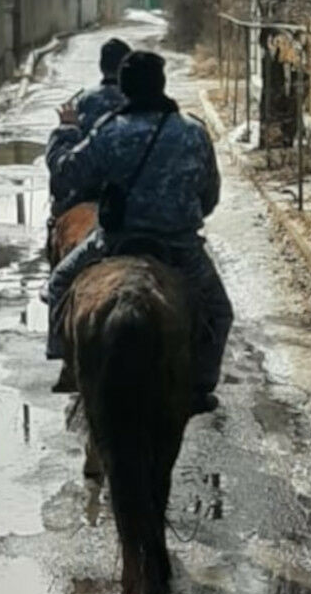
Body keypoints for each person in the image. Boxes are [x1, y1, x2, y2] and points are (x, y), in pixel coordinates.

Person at [41, 51, 233, 415]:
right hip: (180, 247)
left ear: (125, 89)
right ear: (161, 85)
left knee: (60, 283)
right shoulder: (193, 132)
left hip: (116, 242)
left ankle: (67, 361)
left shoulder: (110, 131)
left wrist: (66, 130)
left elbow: (66, 175)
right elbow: (210, 197)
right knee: (220, 312)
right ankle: (201, 387)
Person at [46, 38, 131, 229]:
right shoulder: (141, 104)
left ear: (102, 67)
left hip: (92, 195)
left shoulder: (86, 100)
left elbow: (64, 173)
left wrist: (67, 129)